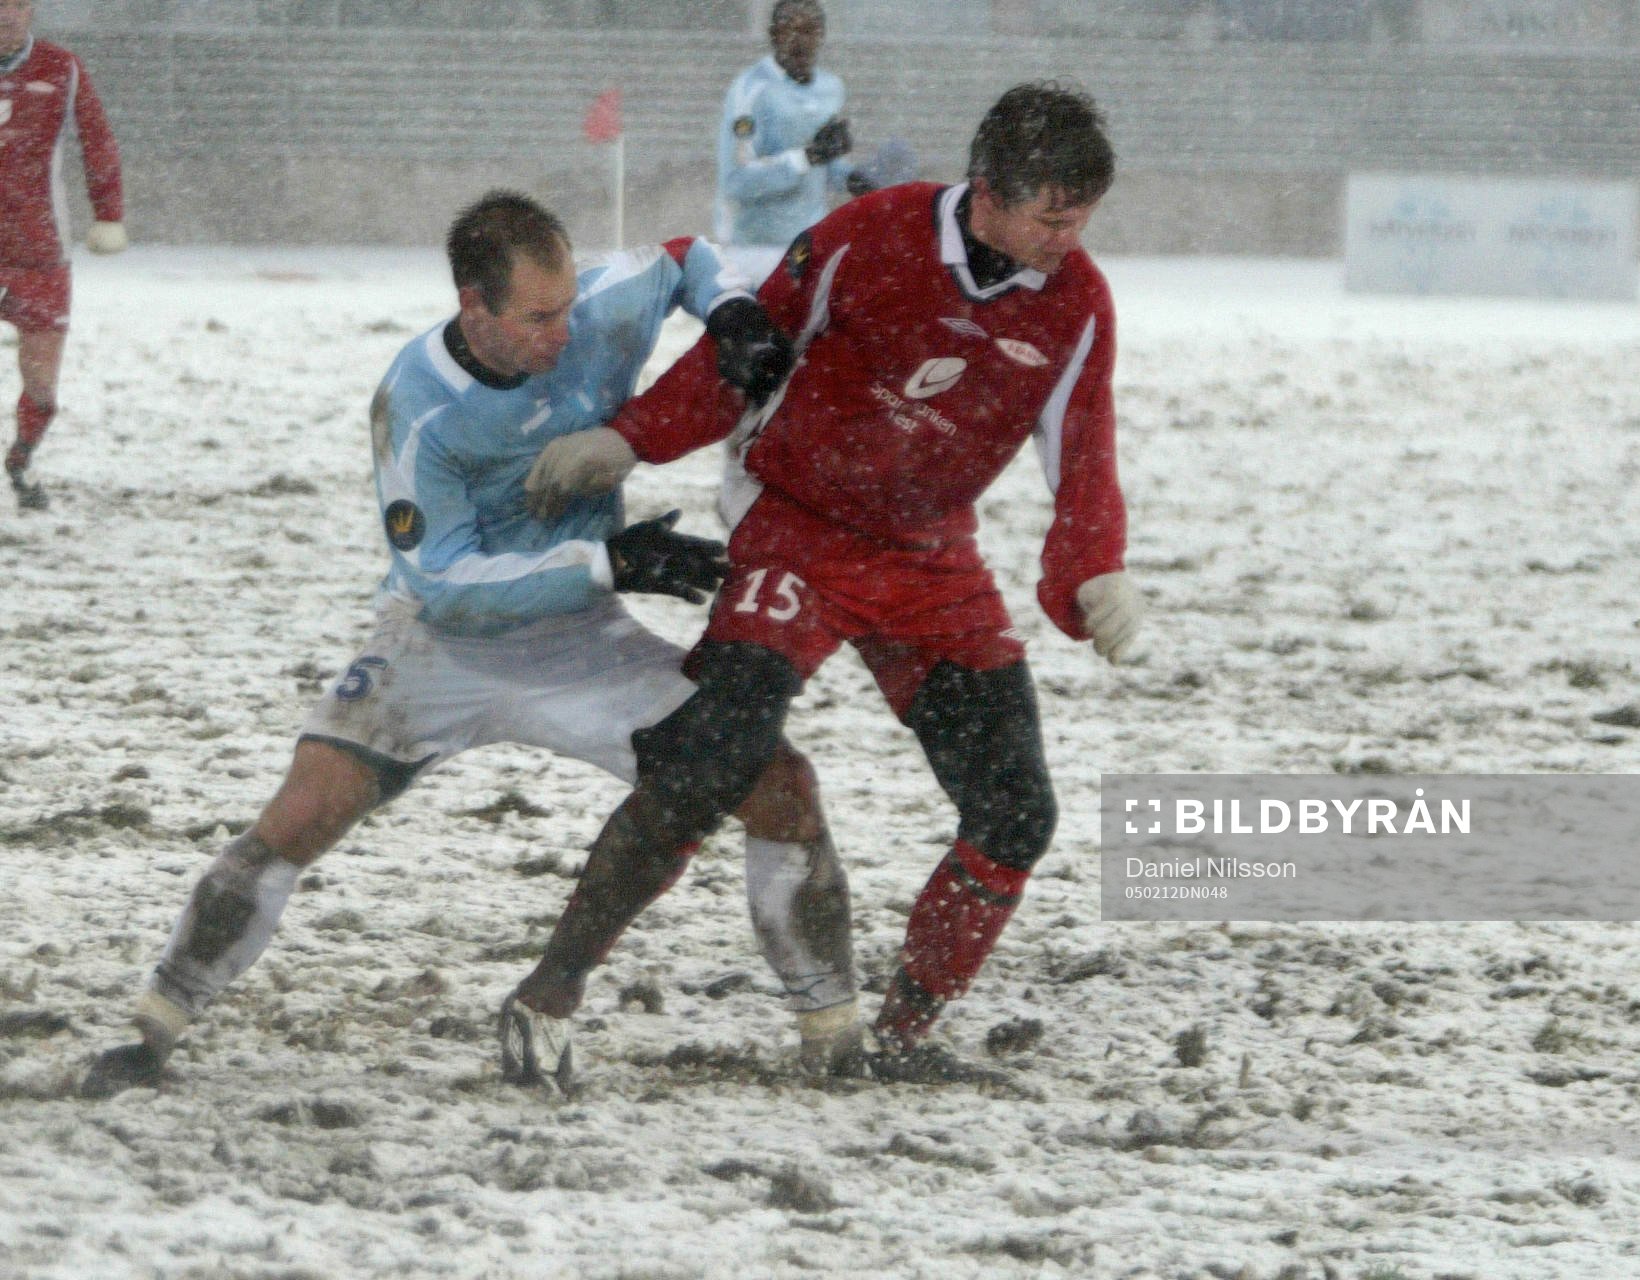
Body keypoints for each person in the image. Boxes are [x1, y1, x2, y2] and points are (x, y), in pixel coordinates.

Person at [80, 191, 854, 1100]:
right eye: (536, 319)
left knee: (778, 783)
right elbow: (444, 580)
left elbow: (684, 255)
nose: (563, 336)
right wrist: (604, 561)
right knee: (300, 817)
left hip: (580, 639)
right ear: (471, 305)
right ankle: (154, 1028)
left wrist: (728, 312)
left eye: (567, 309)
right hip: (442, 643)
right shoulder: (416, 406)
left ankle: (836, 1039)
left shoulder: (594, 305)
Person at [508, 82, 1145, 1080]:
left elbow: (1086, 452)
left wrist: (1093, 574)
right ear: (987, 193)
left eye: (1083, 219)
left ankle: (900, 1037)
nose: (1069, 241)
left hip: (933, 562)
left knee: (1018, 809)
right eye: (1052, 218)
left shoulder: (1078, 306)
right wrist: (628, 439)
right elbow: (744, 354)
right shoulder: (873, 233)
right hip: (801, 534)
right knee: (710, 756)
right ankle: (551, 986)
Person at [0, 0, 126, 512]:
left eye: (15, 3)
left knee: (44, 388)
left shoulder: (60, 67)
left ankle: (21, 460)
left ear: (30, 10)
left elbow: (98, 143)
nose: (4, 14)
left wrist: (109, 213)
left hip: (38, 251)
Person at [714, 0, 912, 285]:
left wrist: (858, 181)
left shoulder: (830, 89)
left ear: (822, 35)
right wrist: (807, 157)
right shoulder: (752, 90)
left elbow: (823, 169)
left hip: (808, 247)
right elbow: (736, 182)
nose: (800, 41)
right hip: (753, 249)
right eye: (789, 30)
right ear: (773, 35)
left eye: (809, 31)